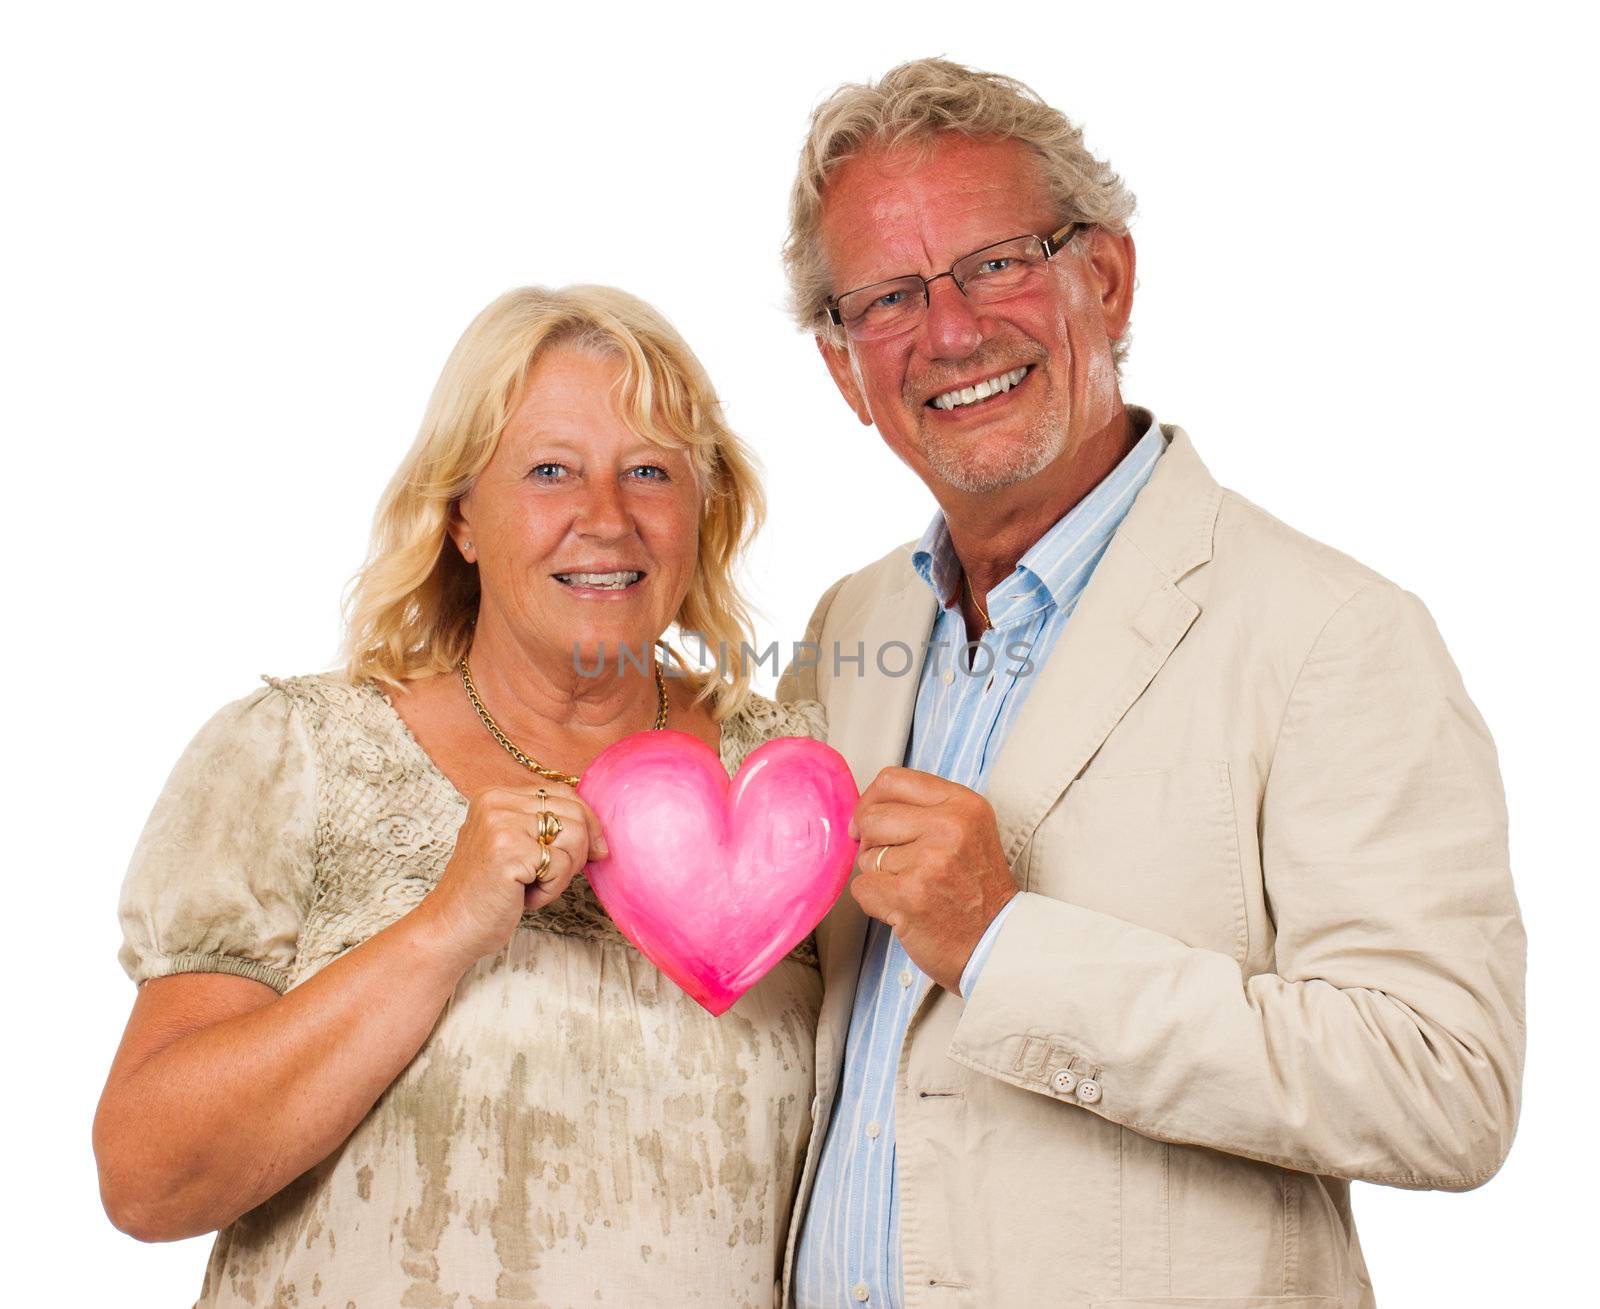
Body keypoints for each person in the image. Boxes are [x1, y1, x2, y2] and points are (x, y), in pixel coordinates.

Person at [774, 59, 1526, 1309]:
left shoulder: (1331, 632)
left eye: (998, 261)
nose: (951, 331)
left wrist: (1008, 945)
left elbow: (1445, 1084)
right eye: (891, 297)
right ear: (844, 366)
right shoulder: (849, 624)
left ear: (1106, 278)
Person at [94, 284, 828, 1308]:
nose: (606, 518)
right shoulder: (297, 755)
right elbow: (148, 1178)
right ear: (462, 518)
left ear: (702, 509)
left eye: (649, 472)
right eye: (549, 471)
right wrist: (442, 931)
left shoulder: (797, 785)